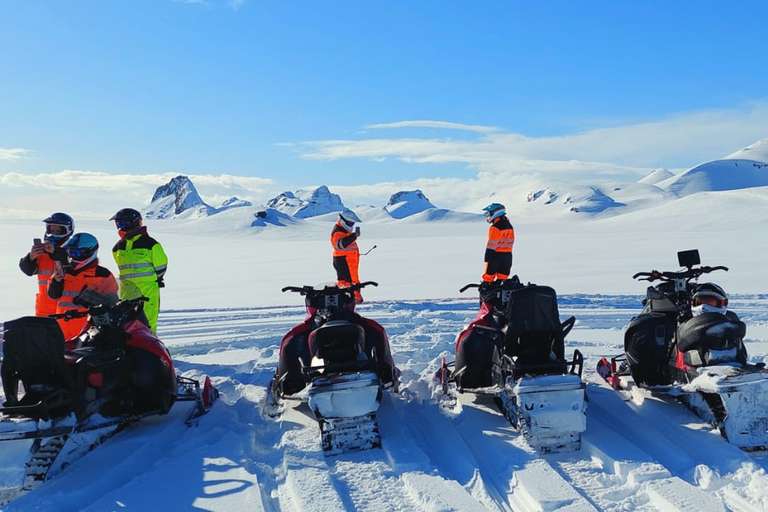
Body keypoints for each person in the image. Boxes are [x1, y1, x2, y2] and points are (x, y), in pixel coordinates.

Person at [48, 233, 119, 342]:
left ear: (90, 253)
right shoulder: (64, 271)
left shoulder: (103, 274)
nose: (74, 256)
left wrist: (90, 299)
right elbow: (53, 295)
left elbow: (112, 303)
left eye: (78, 253)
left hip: (88, 331)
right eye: (71, 252)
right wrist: (56, 281)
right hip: (63, 327)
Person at [110, 208, 168, 332]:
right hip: (126, 292)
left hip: (147, 292)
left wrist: (149, 281)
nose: (120, 227)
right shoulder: (117, 247)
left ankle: (151, 349)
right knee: (125, 325)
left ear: (133, 222)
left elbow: (161, 266)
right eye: (118, 224)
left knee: (148, 324)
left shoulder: (151, 244)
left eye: (122, 224)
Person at [19, 212, 74, 317]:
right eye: (51, 230)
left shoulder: (73, 250)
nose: (54, 233)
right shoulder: (42, 251)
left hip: (66, 309)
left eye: (58, 231)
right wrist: (31, 257)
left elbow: (70, 259)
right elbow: (27, 270)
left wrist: (55, 251)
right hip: (44, 308)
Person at [331, 209, 364, 303]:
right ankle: (354, 299)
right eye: (350, 224)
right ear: (343, 220)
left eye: (353, 224)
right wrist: (354, 236)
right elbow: (341, 244)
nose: (351, 226)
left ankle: (345, 299)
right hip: (344, 260)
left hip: (345, 259)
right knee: (351, 281)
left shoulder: (343, 230)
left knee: (344, 281)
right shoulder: (338, 231)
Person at [481, 203, 515, 282]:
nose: (489, 216)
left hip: (496, 255)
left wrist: (488, 256)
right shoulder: (509, 225)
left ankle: (486, 292)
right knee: (503, 279)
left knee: (488, 278)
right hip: (508, 256)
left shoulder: (495, 227)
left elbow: (492, 244)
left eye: (490, 213)